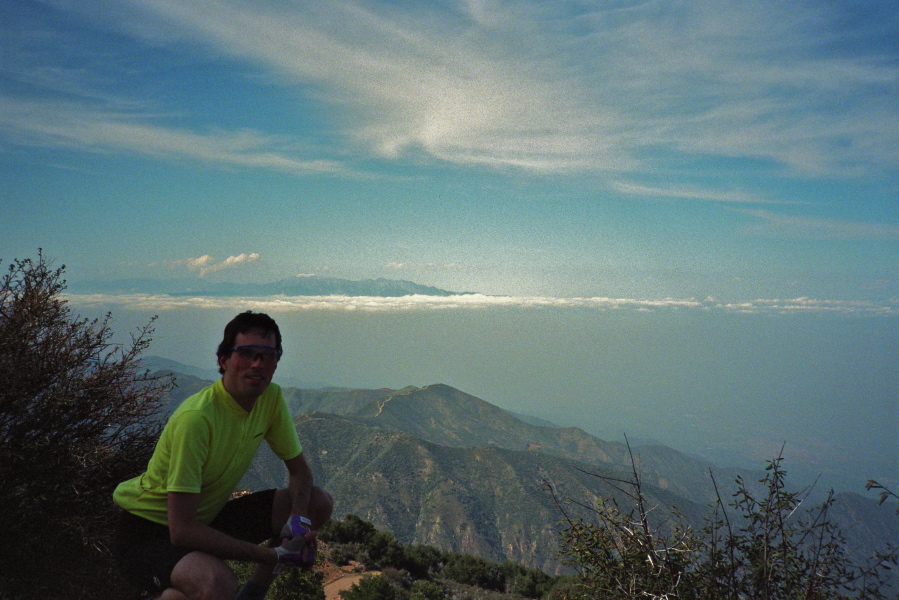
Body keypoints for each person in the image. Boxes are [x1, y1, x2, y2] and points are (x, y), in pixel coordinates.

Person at [113, 311, 333, 600]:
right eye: (247, 353)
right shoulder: (197, 420)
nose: (258, 363)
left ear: (277, 362)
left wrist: (298, 523)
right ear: (223, 359)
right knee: (215, 584)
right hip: (149, 533)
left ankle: (252, 595)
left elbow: (300, 473)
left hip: (207, 518)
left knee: (317, 502)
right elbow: (181, 531)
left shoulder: (270, 399)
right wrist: (272, 555)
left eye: (267, 355)